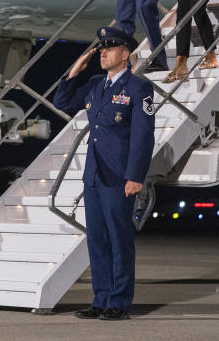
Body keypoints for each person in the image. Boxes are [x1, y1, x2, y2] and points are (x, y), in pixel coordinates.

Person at [53, 27, 156, 321]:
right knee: (96, 239)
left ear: (125, 54)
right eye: (101, 49)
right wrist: (75, 70)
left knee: (118, 239)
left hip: (120, 175)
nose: (103, 53)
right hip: (95, 175)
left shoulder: (139, 88)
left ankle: (120, 302)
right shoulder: (97, 85)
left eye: (110, 48)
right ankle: (100, 299)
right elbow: (62, 102)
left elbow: (142, 135)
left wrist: (135, 175)